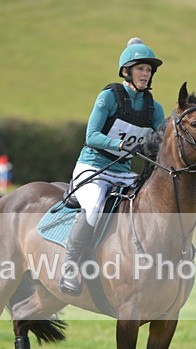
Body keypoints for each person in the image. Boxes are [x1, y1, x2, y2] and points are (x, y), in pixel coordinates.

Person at [59, 38, 167, 296]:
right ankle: (70, 266)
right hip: (92, 167)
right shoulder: (108, 97)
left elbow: (162, 144)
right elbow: (91, 136)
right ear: (126, 71)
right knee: (94, 206)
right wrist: (120, 145)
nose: (145, 74)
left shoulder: (154, 109)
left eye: (148, 70)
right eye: (140, 68)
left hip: (123, 173)